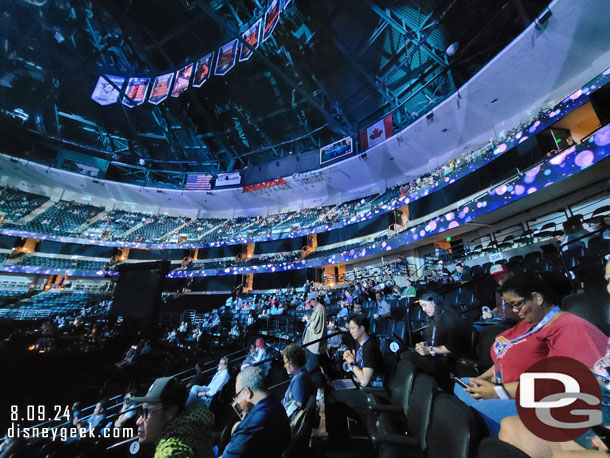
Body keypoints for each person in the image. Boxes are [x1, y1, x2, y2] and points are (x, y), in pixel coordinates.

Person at [454, 274, 607, 436]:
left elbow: (566, 384)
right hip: (506, 388)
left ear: (537, 298)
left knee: (464, 414)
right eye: (511, 305)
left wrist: (498, 391)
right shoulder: (529, 324)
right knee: (462, 386)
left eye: (517, 304)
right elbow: (503, 358)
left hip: (536, 401)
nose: (514, 311)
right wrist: (483, 378)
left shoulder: (570, 327)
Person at [325, 314, 384, 448]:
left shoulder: (370, 347)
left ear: (362, 328)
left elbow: (364, 380)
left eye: (353, 328)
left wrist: (351, 363)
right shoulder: (359, 344)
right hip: (358, 384)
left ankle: (340, 444)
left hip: (372, 394)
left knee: (333, 398)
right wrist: (350, 358)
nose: (350, 331)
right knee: (330, 388)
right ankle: (337, 438)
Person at [400, 291, 470, 388]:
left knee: (407, 357)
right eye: (422, 307)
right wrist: (424, 344)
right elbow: (434, 339)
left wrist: (429, 350)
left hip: (448, 361)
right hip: (437, 356)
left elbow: (451, 348)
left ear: (434, 303)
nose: (423, 309)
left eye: (425, 305)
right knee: (406, 353)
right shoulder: (436, 317)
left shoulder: (449, 319)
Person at [134, 376, 215, 458]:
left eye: (146, 412)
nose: (138, 421)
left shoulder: (170, 453)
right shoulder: (193, 428)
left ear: (170, 412)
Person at [222, 366, 291, 458]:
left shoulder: (249, 427)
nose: (237, 401)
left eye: (238, 395)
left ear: (247, 392)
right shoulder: (276, 403)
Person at [281, 344, 313, 417]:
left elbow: (298, 407)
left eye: (286, 363)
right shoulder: (304, 373)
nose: (284, 366)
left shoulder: (299, 379)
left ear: (293, 361)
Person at [302, 292, 327, 373]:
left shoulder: (319, 309)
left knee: (313, 367)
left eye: (310, 301)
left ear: (315, 299)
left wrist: (307, 319)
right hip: (313, 342)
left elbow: (315, 327)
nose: (310, 303)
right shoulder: (318, 308)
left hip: (315, 343)